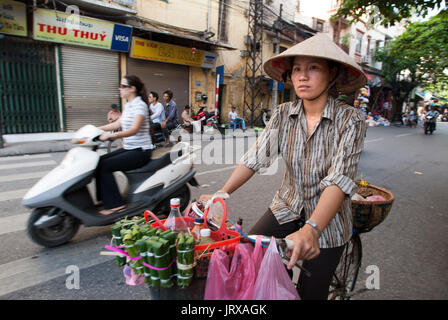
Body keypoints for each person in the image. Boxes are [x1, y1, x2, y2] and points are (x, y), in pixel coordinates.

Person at [199, 33, 367, 300]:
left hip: (329, 221)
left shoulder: (351, 120)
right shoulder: (282, 114)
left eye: (313, 68)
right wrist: (221, 192)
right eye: (297, 69)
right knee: (248, 256)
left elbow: (339, 180)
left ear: (332, 74)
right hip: (286, 206)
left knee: (312, 291)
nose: (302, 76)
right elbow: (255, 158)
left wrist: (312, 229)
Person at [96, 75, 154, 215]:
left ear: (132, 88)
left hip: (140, 151)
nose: (119, 89)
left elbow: (134, 129)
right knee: (98, 161)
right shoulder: (129, 105)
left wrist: (111, 136)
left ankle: (116, 204)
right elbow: (118, 123)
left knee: (105, 166)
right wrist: (96, 129)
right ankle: (103, 198)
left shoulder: (140, 105)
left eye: (122, 86)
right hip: (130, 148)